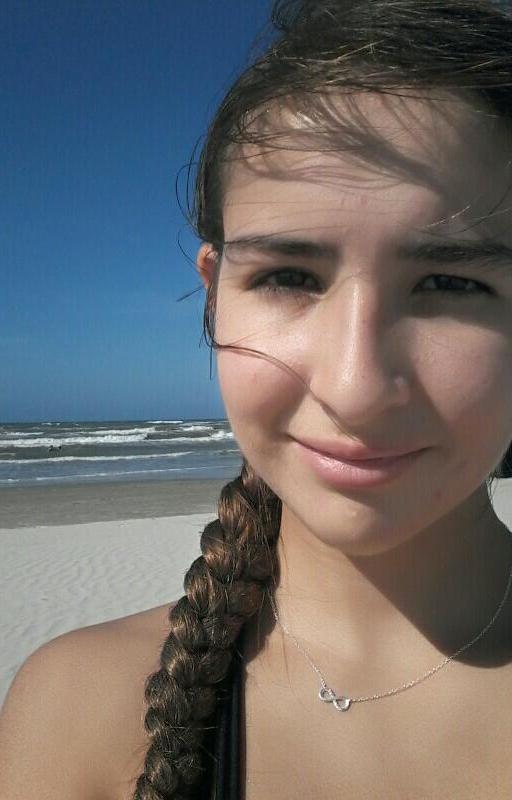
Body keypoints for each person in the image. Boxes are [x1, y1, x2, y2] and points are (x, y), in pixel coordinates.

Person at [2, 0, 512, 797]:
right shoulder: (75, 714)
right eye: (288, 277)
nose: (355, 389)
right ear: (214, 299)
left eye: (450, 283)